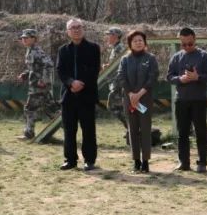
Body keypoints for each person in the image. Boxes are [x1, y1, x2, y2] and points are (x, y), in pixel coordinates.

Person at [56, 18, 101, 170]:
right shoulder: (63, 50)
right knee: (69, 130)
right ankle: (70, 160)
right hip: (68, 96)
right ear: (68, 32)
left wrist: (81, 83)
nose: (76, 30)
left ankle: (89, 160)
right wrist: (71, 83)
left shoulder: (93, 48)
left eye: (78, 27)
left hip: (87, 95)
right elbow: (60, 70)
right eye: (73, 28)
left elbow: (94, 69)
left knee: (88, 130)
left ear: (83, 29)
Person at [167, 27, 207, 172]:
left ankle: (202, 162)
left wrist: (197, 77)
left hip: (198, 99)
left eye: (190, 44)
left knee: (201, 132)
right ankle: (184, 162)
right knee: (182, 133)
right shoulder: (176, 57)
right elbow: (169, 77)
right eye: (183, 44)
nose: (187, 47)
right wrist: (180, 79)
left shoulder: (203, 56)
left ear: (195, 40)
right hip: (181, 100)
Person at [115, 29, 159, 173]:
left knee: (145, 129)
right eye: (135, 41)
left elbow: (153, 77)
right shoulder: (125, 59)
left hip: (144, 99)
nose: (138, 43)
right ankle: (136, 161)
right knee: (132, 130)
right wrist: (130, 94)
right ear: (130, 44)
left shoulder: (150, 58)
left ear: (144, 43)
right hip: (129, 100)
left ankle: (145, 161)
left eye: (140, 40)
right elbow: (121, 77)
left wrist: (139, 94)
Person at [17, 29, 57, 139]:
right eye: (23, 38)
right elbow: (33, 68)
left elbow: (49, 65)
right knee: (51, 108)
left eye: (26, 38)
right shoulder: (30, 50)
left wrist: (44, 80)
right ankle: (69, 127)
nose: (23, 40)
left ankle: (28, 134)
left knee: (30, 108)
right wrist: (25, 74)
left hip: (39, 86)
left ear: (34, 39)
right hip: (36, 84)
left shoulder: (37, 51)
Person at [104, 27, 128, 140]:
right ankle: (131, 128)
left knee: (113, 106)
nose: (107, 37)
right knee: (121, 106)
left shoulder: (120, 48)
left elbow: (122, 66)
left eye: (109, 34)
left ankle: (132, 127)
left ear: (116, 36)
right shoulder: (116, 48)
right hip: (116, 82)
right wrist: (108, 66)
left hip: (119, 83)